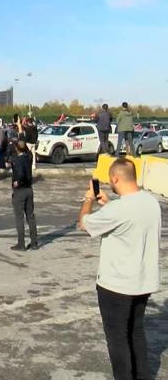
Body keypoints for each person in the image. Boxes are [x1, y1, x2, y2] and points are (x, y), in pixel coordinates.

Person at [78, 158, 161, 380]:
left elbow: (84, 223)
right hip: (143, 283)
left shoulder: (119, 209)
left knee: (117, 341)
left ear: (115, 178)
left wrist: (88, 199)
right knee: (136, 333)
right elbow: (129, 219)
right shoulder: (150, 202)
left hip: (117, 286)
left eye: (110, 180)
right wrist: (109, 204)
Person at [8, 139, 38, 250]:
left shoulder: (18, 160)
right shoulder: (29, 157)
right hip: (29, 189)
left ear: (16, 148)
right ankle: (34, 242)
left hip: (20, 190)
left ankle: (21, 243)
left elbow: (20, 174)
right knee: (30, 216)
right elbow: (28, 151)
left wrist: (18, 182)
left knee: (19, 218)